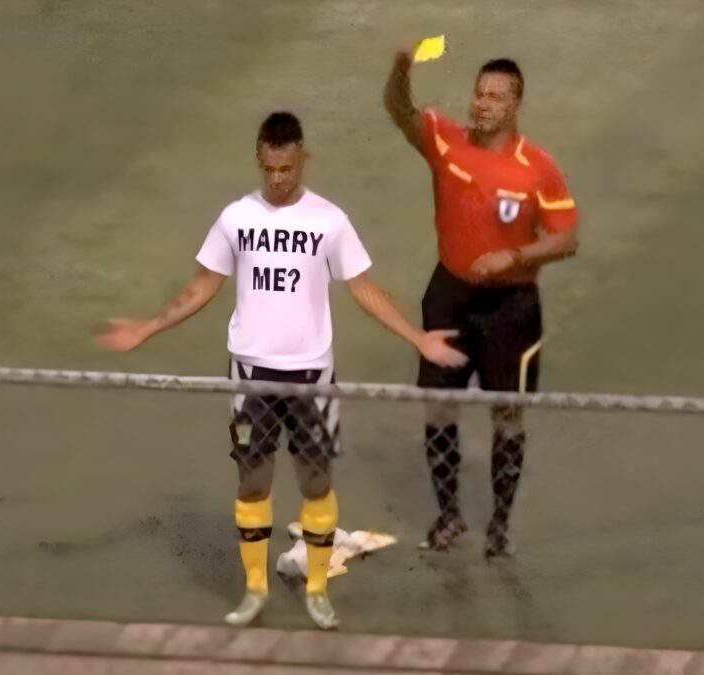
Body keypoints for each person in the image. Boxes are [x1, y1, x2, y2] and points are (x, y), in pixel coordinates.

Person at [100, 112, 466, 629]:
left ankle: (317, 589)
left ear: (303, 160)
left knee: (316, 484)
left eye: (286, 169)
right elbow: (202, 285)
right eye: (269, 169)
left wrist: (418, 338)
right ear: (259, 159)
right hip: (251, 376)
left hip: (311, 377)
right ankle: (255, 590)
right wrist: (149, 326)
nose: (277, 179)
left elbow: (364, 289)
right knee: (252, 485)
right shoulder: (235, 218)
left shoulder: (329, 221)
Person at [383, 52, 580, 559]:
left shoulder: (537, 170)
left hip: (510, 309)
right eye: (479, 93)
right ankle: (449, 515)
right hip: (449, 298)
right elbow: (400, 111)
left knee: (507, 415)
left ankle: (500, 526)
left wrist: (515, 256)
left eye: (495, 97)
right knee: (438, 409)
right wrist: (401, 67)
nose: (482, 104)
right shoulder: (444, 141)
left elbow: (566, 239)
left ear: (515, 105)